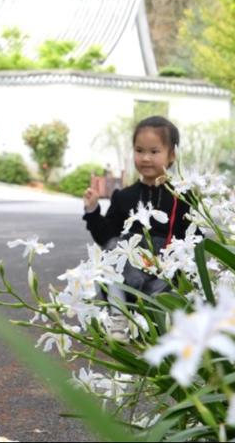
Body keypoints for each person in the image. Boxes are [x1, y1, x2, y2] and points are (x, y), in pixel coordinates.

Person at [82, 116, 194, 334]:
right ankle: (118, 316)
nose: (145, 158)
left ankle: (158, 321)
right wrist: (92, 210)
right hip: (128, 278)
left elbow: (192, 239)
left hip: (164, 275)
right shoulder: (123, 196)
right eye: (139, 150)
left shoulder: (181, 196)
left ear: (172, 155)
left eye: (154, 151)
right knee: (111, 250)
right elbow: (106, 237)